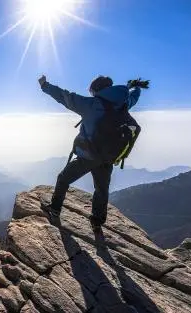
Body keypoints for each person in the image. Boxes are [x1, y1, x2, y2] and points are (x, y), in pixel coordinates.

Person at [38, 75, 148, 231]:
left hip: (88, 156)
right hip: (108, 158)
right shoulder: (123, 104)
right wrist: (134, 87)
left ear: (97, 90)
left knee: (63, 179)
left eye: (92, 91)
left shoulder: (90, 104)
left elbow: (64, 96)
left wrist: (45, 85)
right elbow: (133, 97)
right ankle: (97, 222)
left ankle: (54, 210)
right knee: (101, 189)